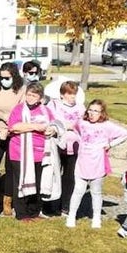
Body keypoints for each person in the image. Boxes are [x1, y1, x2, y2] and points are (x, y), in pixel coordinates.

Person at [65, 99, 127, 228]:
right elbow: (75, 129)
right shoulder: (82, 123)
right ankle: (71, 216)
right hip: (82, 162)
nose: (92, 113)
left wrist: (110, 144)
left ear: (102, 113)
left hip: (97, 163)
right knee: (78, 190)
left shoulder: (107, 125)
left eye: (96, 111)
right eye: (90, 110)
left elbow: (125, 134)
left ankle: (96, 218)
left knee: (96, 191)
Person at [6, 83, 54, 221]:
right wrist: (35, 127)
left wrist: (53, 129)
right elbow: (14, 127)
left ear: (40, 97)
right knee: (20, 181)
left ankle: (34, 211)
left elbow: (54, 124)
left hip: (40, 153)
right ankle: (21, 213)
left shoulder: (46, 111)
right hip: (20, 152)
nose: (30, 98)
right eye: (29, 94)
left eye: (34, 95)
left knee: (38, 182)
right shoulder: (19, 109)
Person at [0, 62, 25, 217]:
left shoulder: (21, 91)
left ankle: (7, 200)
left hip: (13, 133)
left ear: (14, 76)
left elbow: (21, 112)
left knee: (11, 169)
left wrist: (9, 123)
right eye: (1, 78)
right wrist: (0, 115)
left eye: (7, 78)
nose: (4, 81)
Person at [47, 80, 85, 216]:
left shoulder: (80, 108)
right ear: (62, 94)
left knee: (69, 176)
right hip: (57, 144)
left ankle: (65, 205)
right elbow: (51, 121)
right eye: (69, 94)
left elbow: (82, 124)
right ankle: (51, 204)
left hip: (74, 146)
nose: (72, 97)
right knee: (53, 174)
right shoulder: (54, 105)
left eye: (74, 94)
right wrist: (65, 125)